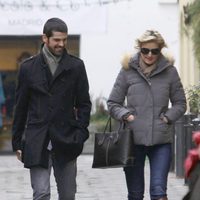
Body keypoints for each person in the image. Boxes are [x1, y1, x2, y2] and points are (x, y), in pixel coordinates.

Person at [12, 18, 91, 200]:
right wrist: (17, 141)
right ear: (45, 38)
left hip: (67, 139)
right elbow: (21, 107)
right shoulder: (28, 68)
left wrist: (80, 134)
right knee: (41, 194)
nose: (61, 44)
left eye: (64, 40)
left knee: (67, 195)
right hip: (36, 140)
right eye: (57, 40)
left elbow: (84, 104)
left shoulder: (76, 66)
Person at [107, 29, 186, 200]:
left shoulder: (170, 72)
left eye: (154, 51)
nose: (149, 55)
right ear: (139, 48)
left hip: (161, 141)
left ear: (160, 50)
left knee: (159, 193)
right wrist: (127, 115)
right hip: (132, 141)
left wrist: (167, 117)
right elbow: (113, 103)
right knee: (135, 194)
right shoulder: (127, 71)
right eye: (145, 50)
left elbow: (180, 103)